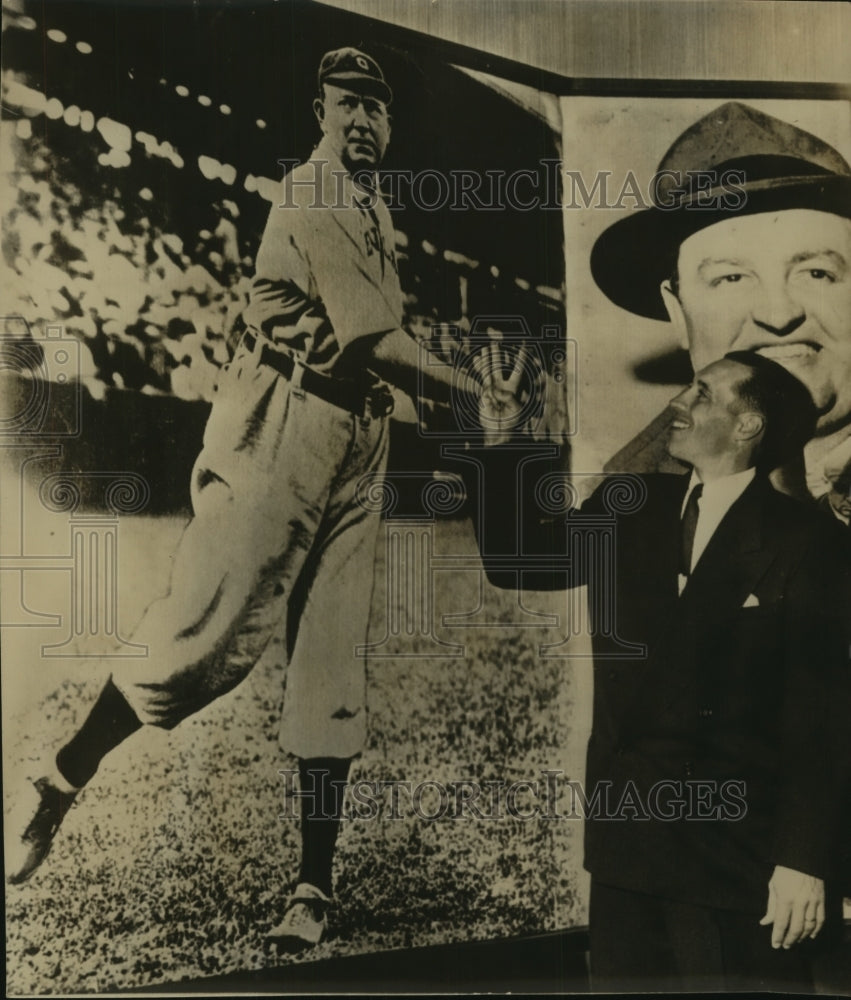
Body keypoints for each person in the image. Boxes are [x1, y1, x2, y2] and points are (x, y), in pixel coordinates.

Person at [5, 47, 489, 951]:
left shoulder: (375, 204)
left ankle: (311, 888)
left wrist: (448, 408)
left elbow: (373, 353)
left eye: (377, 108)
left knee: (332, 663)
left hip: (358, 431)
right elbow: (372, 338)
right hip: (280, 421)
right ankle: (61, 781)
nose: (363, 121)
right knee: (201, 640)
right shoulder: (315, 189)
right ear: (320, 110)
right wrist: (468, 393)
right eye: (347, 103)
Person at [476, 350, 851, 991]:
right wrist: (503, 437)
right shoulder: (631, 505)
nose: (677, 402)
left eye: (702, 393)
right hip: (626, 849)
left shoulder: (809, 541)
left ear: (748, 425)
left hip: (736, 862)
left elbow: (820, 715)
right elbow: (520, 559)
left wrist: (803, 860)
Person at [590, 101, 851, 517]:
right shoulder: (631, 502)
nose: (779, 316)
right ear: (678, 314)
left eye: (816, 273)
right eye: (731, 278)